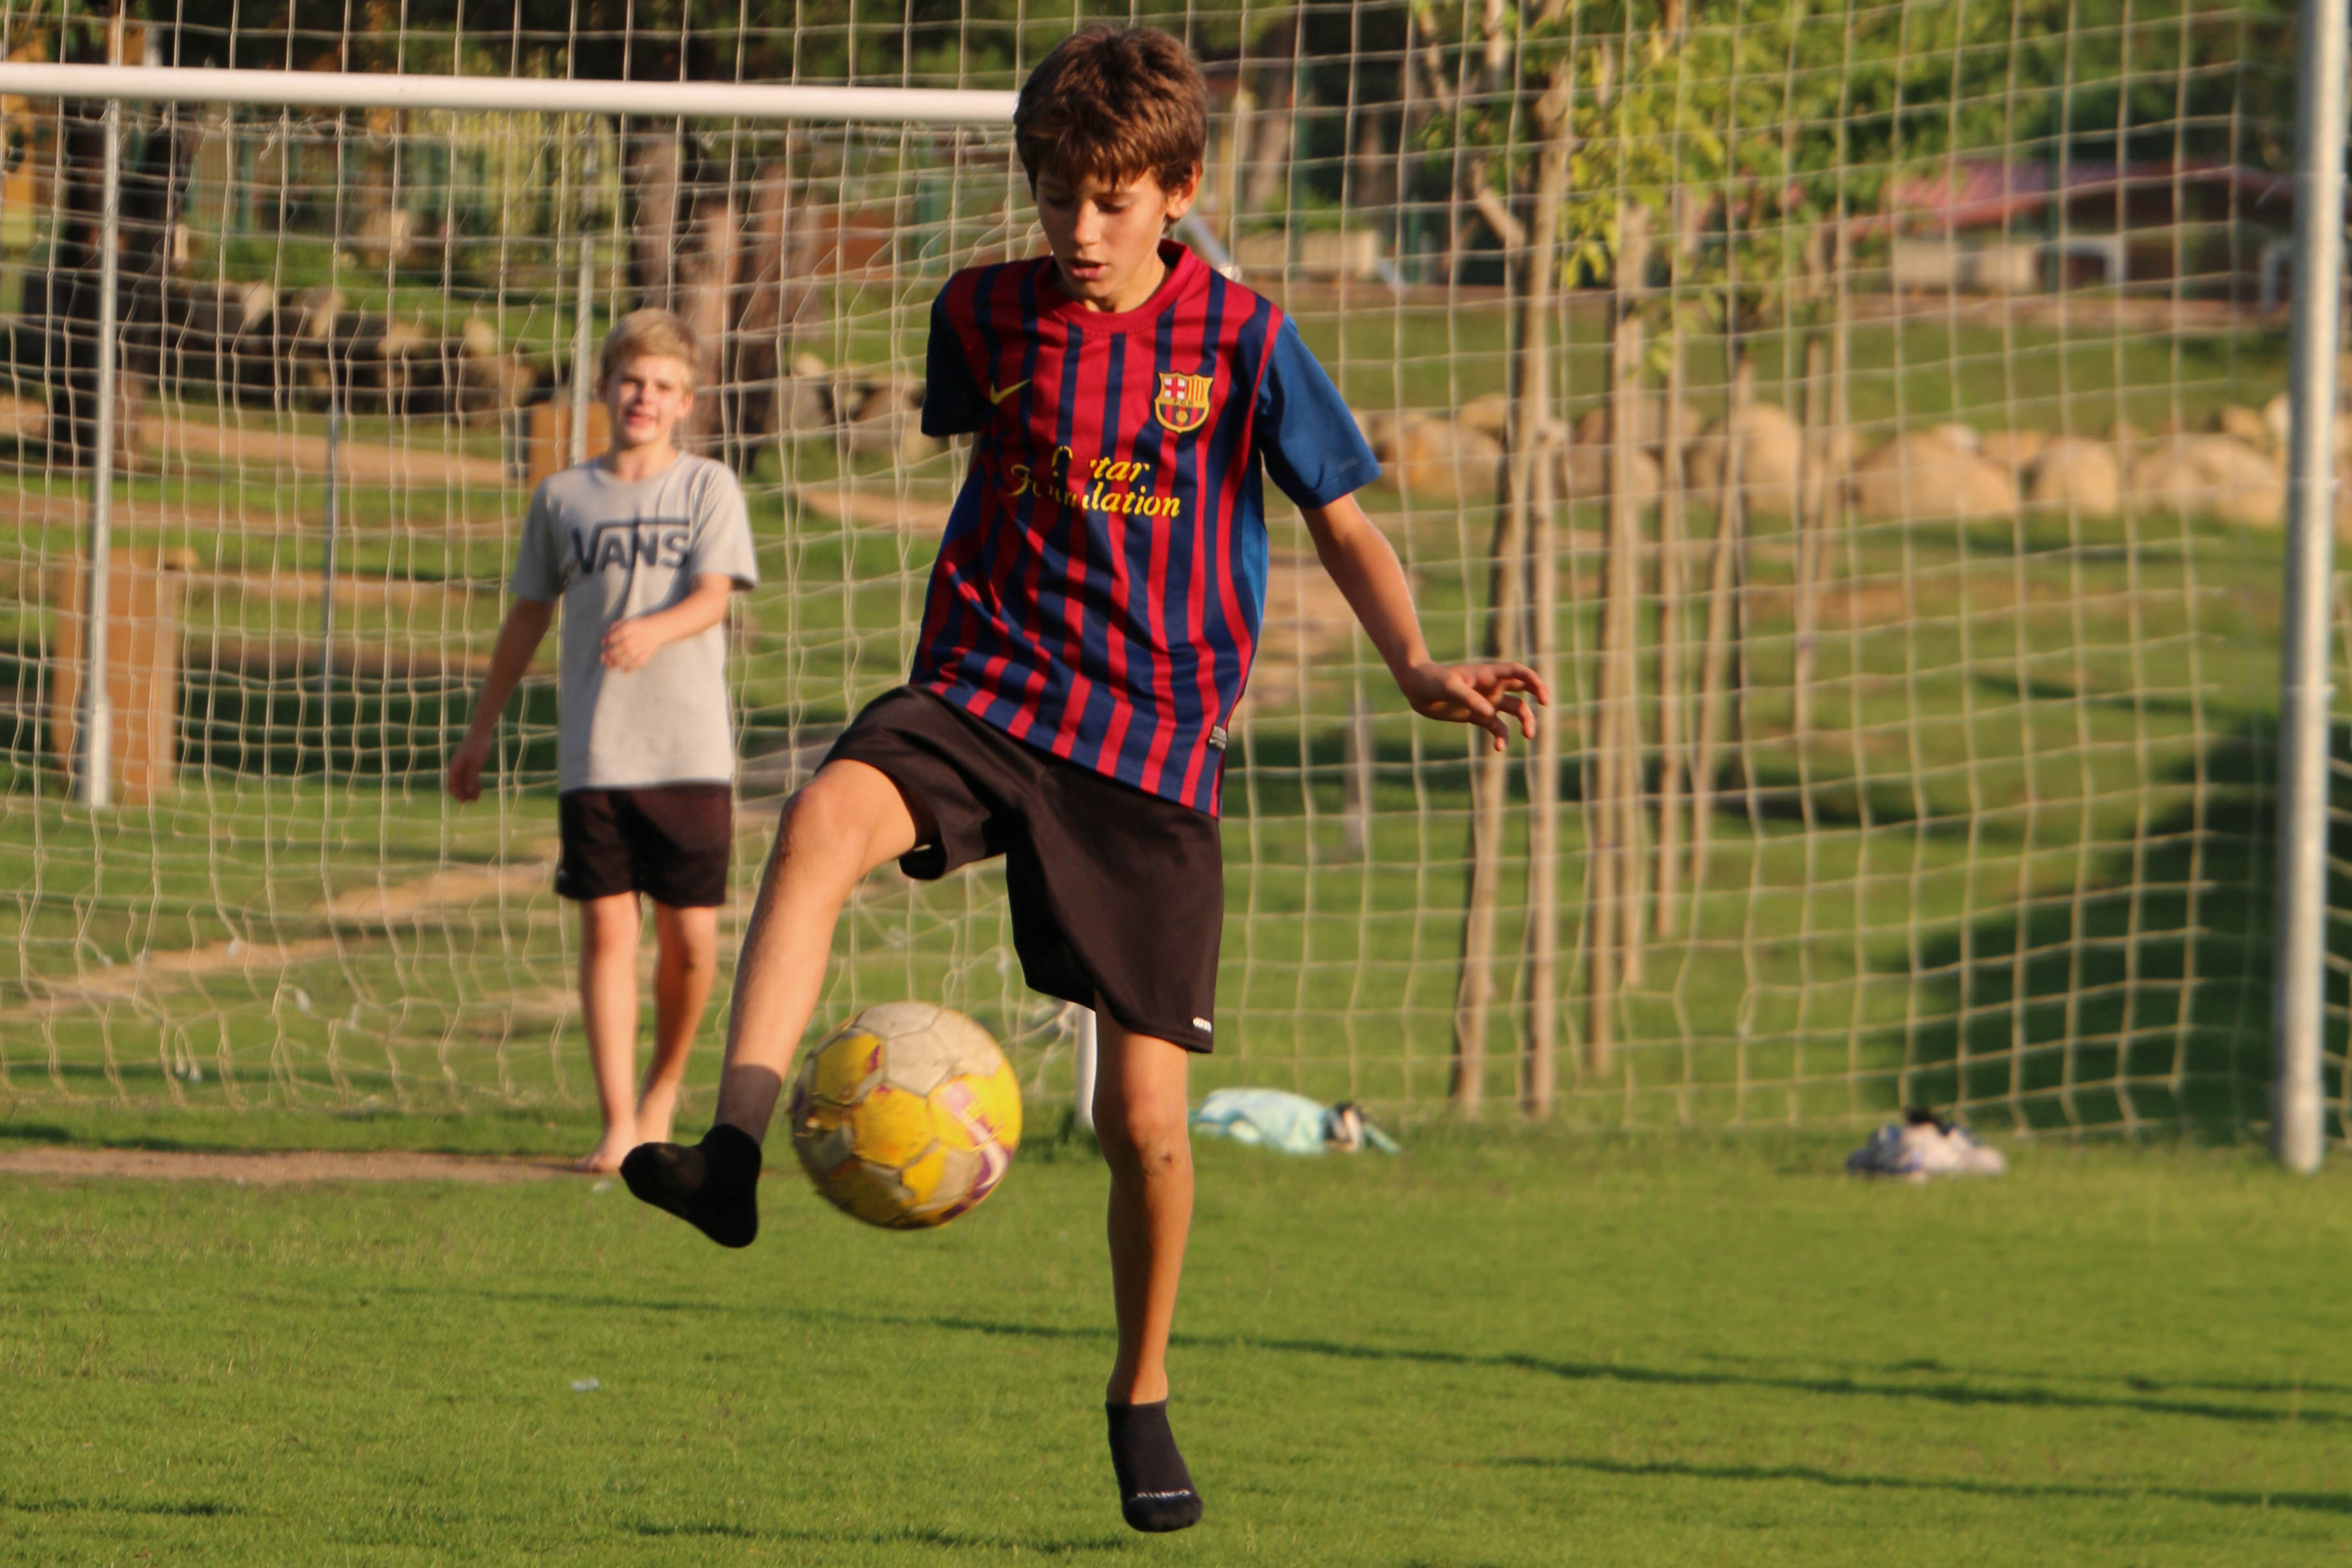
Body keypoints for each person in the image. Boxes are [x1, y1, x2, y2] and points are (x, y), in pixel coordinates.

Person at [620, 26, 1544, 1533]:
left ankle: (1141, 1388)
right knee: (821, 819)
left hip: (1149, 753)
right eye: (1058, 197)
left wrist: (1414, 661)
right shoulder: (980, 315)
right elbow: (994, 453)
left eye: (1112, 201)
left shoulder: (1243, 340)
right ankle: (731, 1155)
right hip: (986, 694)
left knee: (1146, 1127)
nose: (1082, 229)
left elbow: (1342, 522)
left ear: (1179, 191)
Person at [447, 309, 759, 1175]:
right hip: (597, 750)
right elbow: (527, 616)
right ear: (604, 388)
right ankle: (620, 1121)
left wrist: (656, 629)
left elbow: (713, 597)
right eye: (631, 381)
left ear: (686, 402)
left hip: (689, 752)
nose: (644, 398)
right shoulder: (563, 497)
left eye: (662, 386)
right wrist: (480, 732)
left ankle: (664, 1092)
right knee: (608, 933)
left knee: (690, 944)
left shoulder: (707, 488)